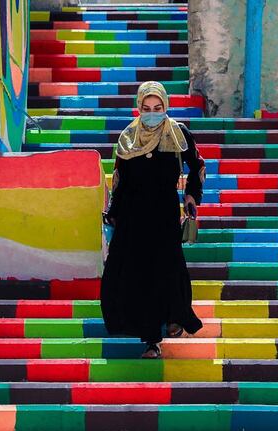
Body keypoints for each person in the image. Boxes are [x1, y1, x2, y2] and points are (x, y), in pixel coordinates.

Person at [100, 81, 205, 359]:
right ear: (138, 108)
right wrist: (113, 213)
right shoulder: (128, 137)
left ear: (165, 106)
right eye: (146, 108)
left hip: (165, 213)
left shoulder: (178, 133)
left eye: (157, 108)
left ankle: (175, 316)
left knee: (169, 269)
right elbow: (120, 182)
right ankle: (150, 340)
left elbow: (197, 165)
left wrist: (192, 196)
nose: (152, 113)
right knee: (139, 276)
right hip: (134, 217)